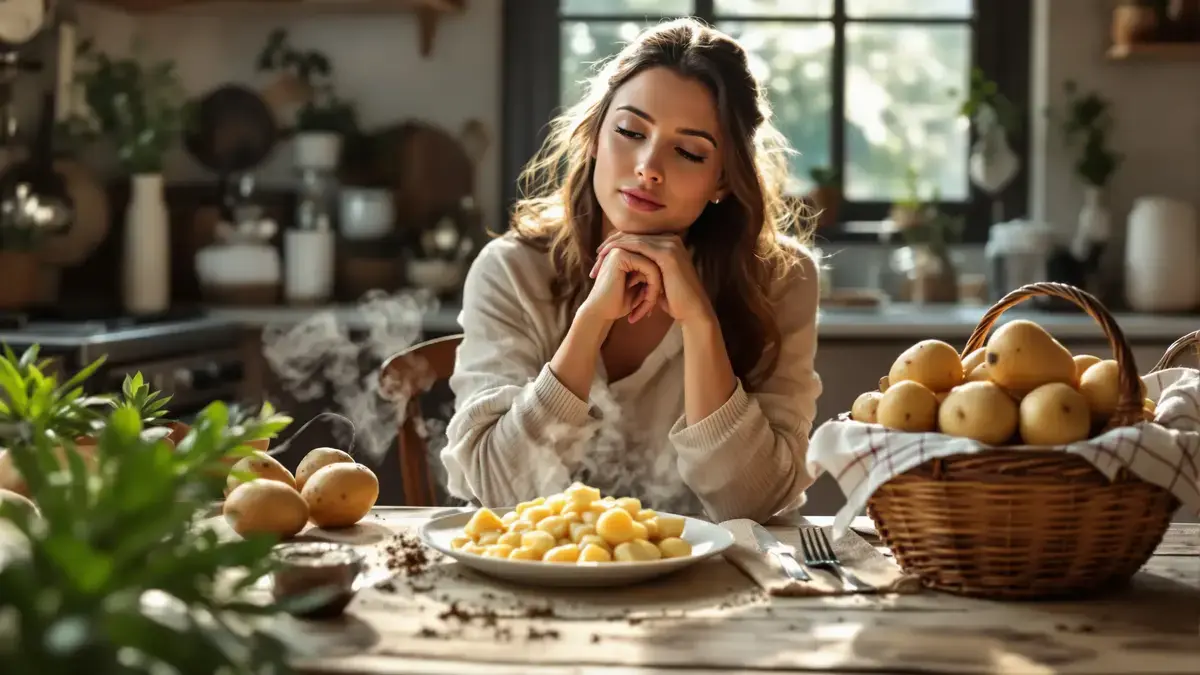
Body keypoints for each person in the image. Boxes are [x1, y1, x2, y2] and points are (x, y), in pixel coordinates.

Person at [440, 17, 822, 523]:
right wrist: (590, 324)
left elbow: (752, 504)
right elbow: (498, 490)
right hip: (540, 578)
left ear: (723, 180)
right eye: (629, 131)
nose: (648, 166)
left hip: (712, 587)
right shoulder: (511, 271)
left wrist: (700, 325)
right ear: (595, 136)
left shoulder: (780, 279)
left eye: (688, 151)